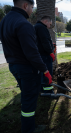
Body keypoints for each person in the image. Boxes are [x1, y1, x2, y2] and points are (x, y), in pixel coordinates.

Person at [0, 0, 52, 132]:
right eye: (32, 7)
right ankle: (29, 129)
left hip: (13, 66)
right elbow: (32, 53)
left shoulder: (5, 21)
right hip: (27, 69)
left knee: (26, 95)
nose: (32, 11)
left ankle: (28, 125)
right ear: (25, 5)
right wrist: (45, 70)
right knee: (29, 98)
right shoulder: (24, 24)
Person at [34, 16, 56, 97]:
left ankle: (41, 90)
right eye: (49, 24)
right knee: (47, 73)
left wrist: (51, 44)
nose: (49, 26)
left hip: (39, 54)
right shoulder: (41, 27)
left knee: (41, 73)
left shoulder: (36, 27)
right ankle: (48, 92)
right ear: (46, 21)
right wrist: (51, 52)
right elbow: (45, 41)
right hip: (45, 55)